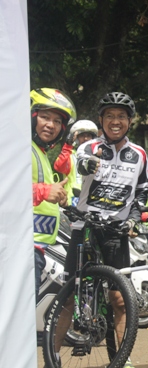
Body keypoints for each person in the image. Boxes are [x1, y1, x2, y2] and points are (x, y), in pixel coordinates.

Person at [56, 92, 148, 368]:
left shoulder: (140, 155)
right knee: (69, 298)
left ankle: (124, 359)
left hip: (116, 232)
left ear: (129, 121)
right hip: (85, 228)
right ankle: (52, 359)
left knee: (120, 299)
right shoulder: (89, 146)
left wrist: (134, 219)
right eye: (110, 116)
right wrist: (90, 162)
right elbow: (81, 165)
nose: (115, 121)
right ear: (101, 120)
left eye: (121, 116)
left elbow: (142, 193)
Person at [31, 88, 76, 297]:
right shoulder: (20, 148)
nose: (51, 125)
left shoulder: (39, 152)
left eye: (57, 121)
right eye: (45, 117)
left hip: (37, 248)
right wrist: (43, 191)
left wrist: (60, 197)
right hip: (20, 250)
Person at [53, 119, 98, 206]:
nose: (85, 139)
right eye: (82, 136)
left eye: (88, 135)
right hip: (71, 204)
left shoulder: (98, 157)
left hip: (93, 204)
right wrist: (68, 145)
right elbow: (58, 167)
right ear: (76, 138)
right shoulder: (70, 156)